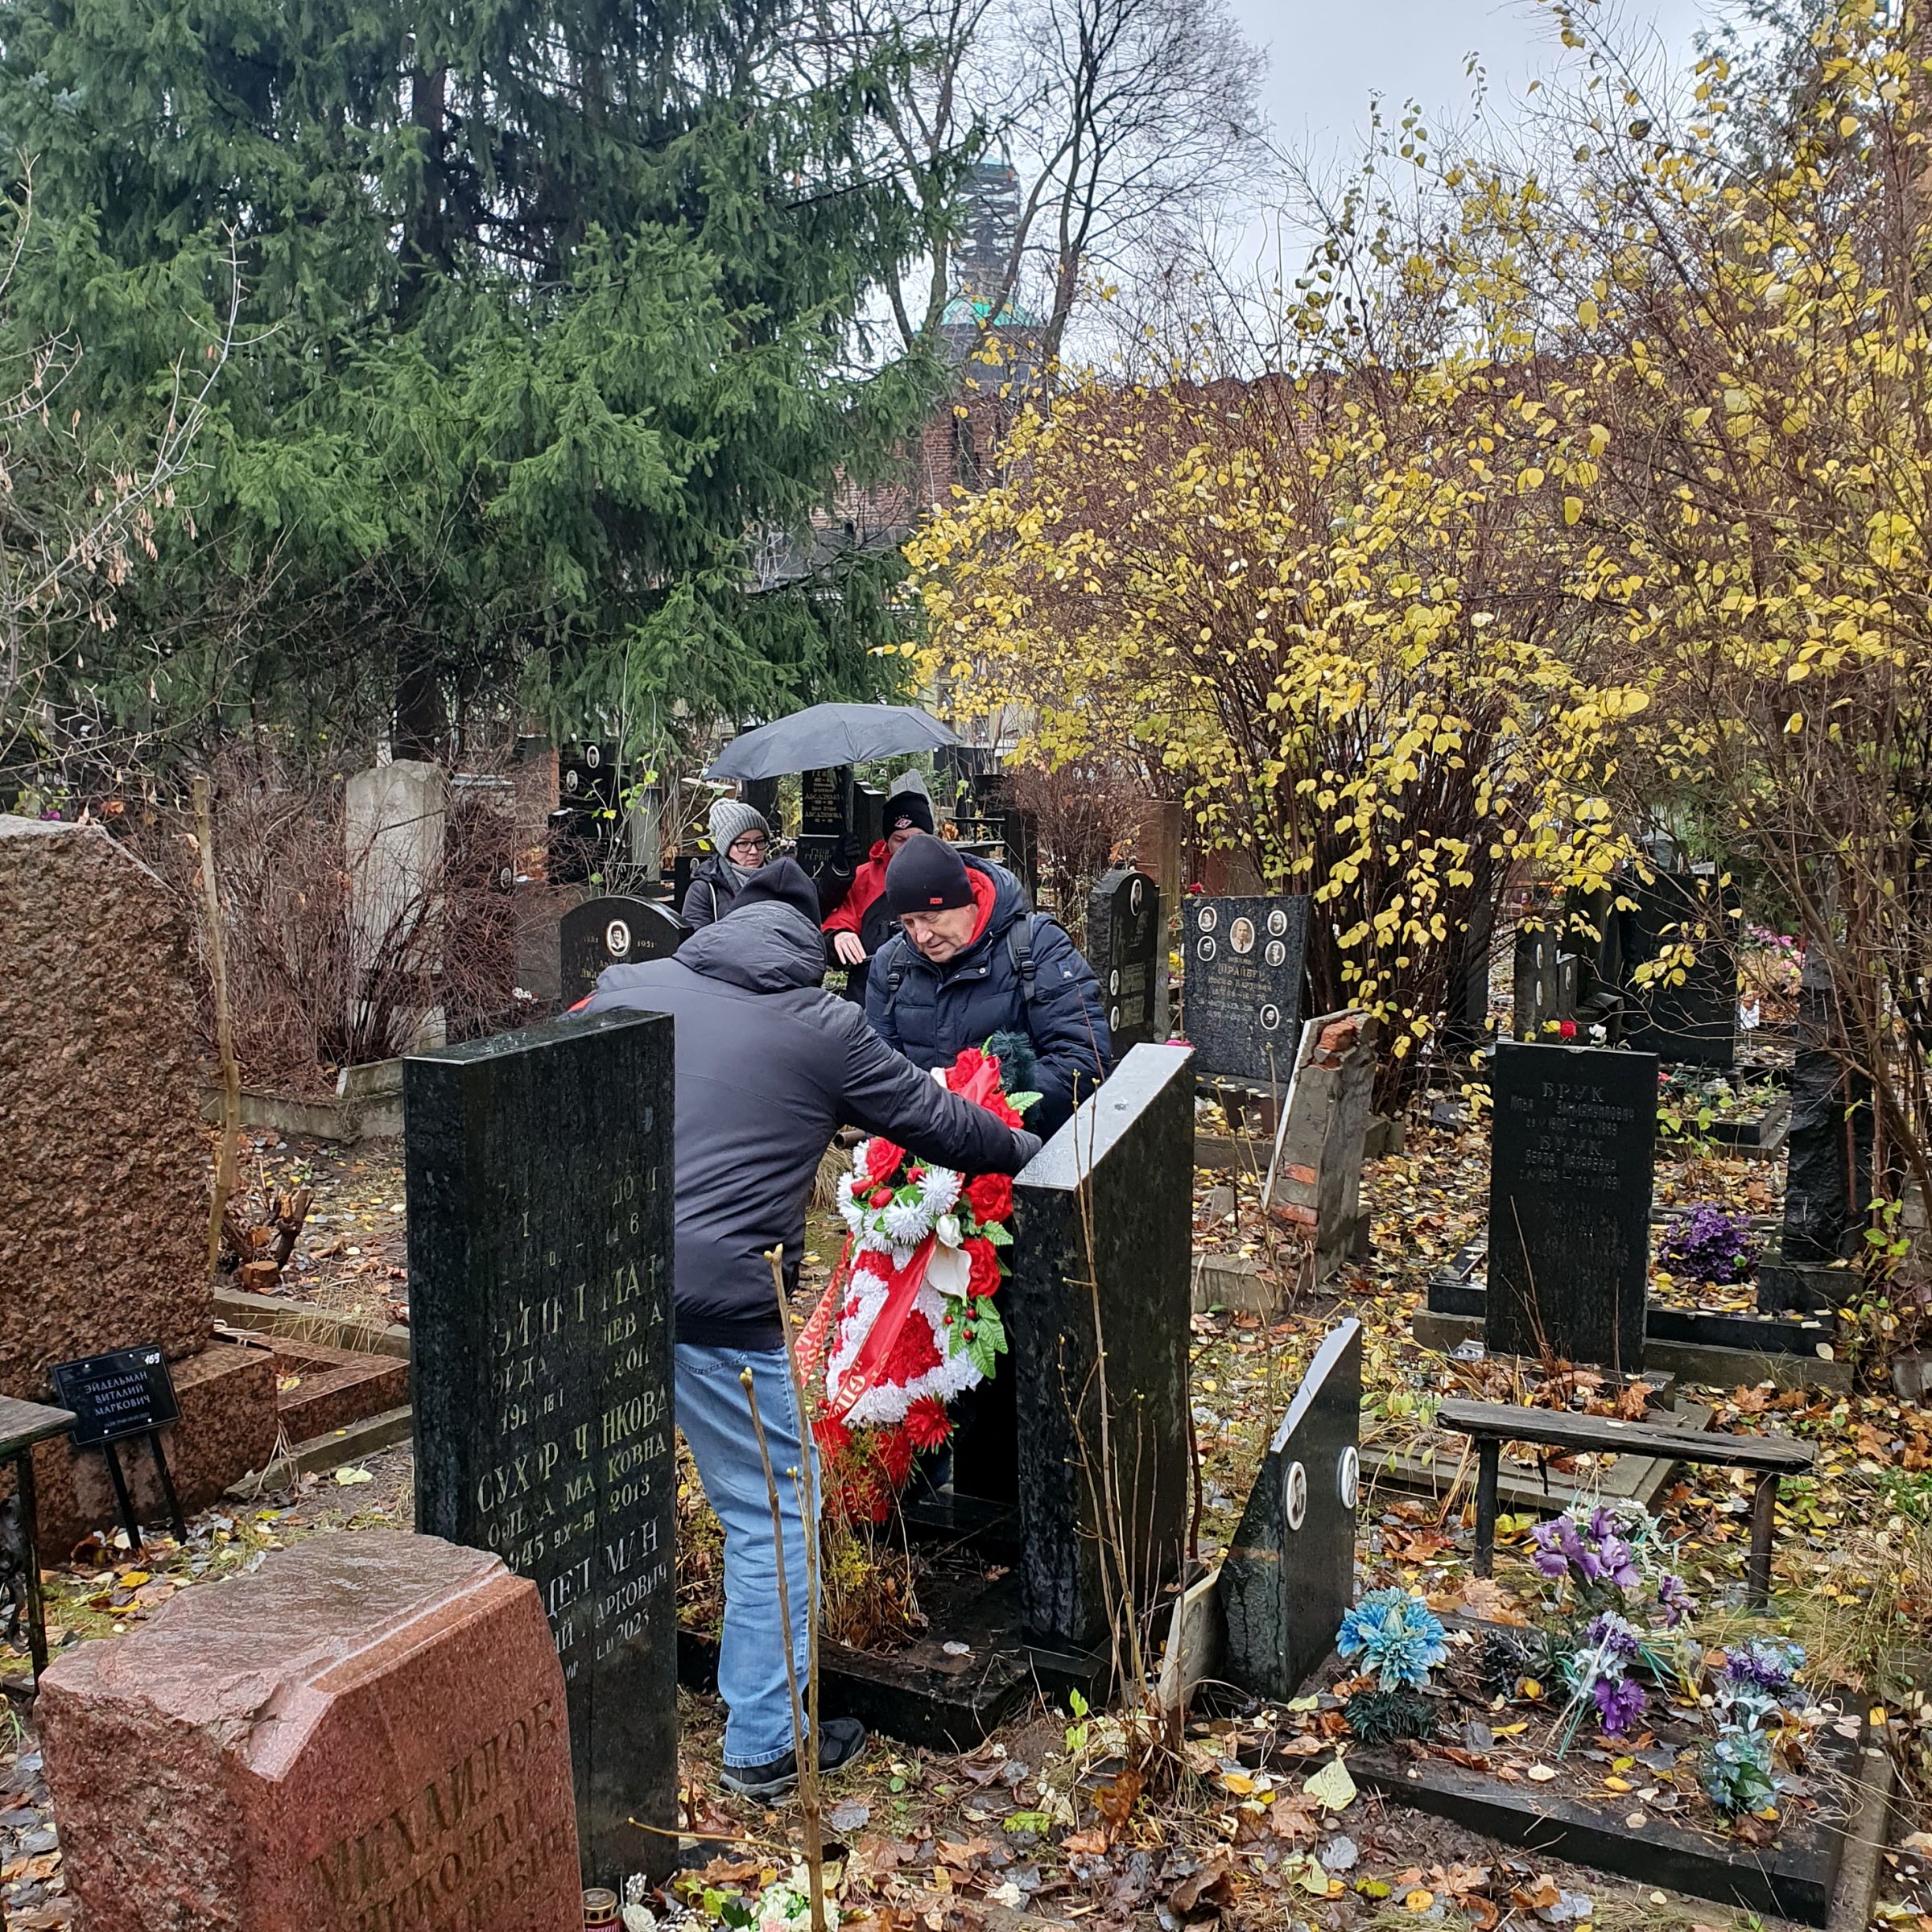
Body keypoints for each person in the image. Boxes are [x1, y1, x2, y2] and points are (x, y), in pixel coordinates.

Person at [580, 859, 1041, 1798]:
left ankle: (576, 1702)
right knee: (774, 1513)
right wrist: (1031, 1150)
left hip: (593, 1283)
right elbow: (936, 1121)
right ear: (811, 948)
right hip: (715, 1306)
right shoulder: (820, 1025)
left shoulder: (631, 987)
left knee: (602, 1497)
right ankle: (762, 1745)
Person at [865, 832, 1111, 1140]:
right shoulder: (892, 964)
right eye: (909, 923)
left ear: (967, 902)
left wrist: (990, 1098)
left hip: (1025, 1145)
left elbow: (1083, 1059)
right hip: (926, 1149)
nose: (922, 936)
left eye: (931, 918)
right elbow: (879, 1073)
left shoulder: (1036, 947)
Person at [823, 770, 937, 968]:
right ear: (887, 841)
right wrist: (838, 936)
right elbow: (839, 920)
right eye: (899, 839)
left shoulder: (951, 875)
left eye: (917, 838)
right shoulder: (865, 877)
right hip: (871, 976)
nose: (908, 847)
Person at [682, 798, 770, 929]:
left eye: (760, 841)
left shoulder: (782, 879)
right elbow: (697, 938)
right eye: (743, 844)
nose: (754, 851)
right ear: (725, 847)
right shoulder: (705, 889)